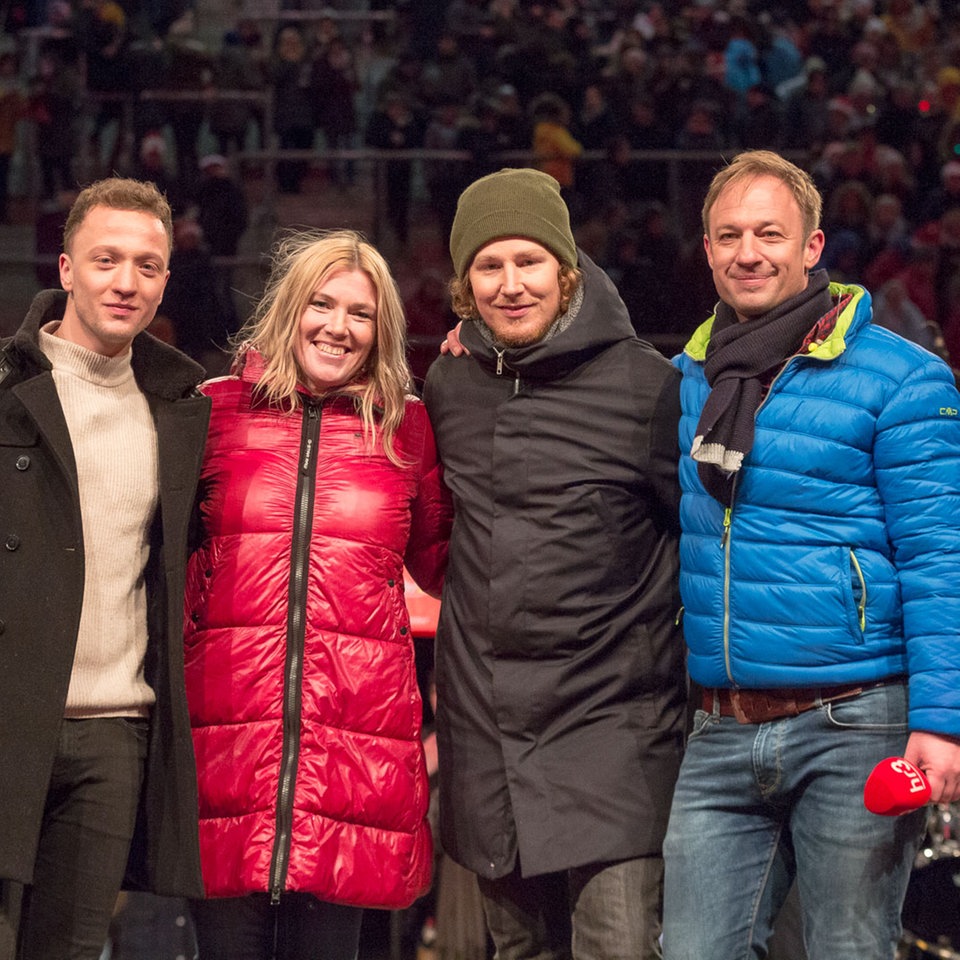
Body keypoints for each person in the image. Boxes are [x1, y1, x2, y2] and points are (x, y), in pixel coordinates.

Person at [663, 149, 960, 960]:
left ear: (812, 246)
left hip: (855, 721)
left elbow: (942, 562)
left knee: (848, 951)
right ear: (708, 246)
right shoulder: (690, 375)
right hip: (720, 726)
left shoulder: (902, 379)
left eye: (768, 233)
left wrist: (941, 724)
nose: (747, 251)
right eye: (728, 235)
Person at [423, 167, 687, 960]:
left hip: (612, 727)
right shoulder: (448, 383)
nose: (511, 285)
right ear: (467, 285)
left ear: (566, 269)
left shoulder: (648, 384)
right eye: (489, 267)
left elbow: (702, 542)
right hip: (489, 729)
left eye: (529, 262)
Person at [183, 228, 451, 960]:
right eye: (322, 305)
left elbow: (455, 569)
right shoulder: (214, 411)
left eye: (359, 314)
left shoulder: (408, 428)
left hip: (355, 768)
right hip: (227, 755)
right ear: (289, 308)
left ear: (381, 329)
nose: (338, 327)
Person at [0, 177, 211, 960]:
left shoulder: (183, 407)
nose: (126, 282)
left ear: (165, 279)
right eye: (106, 260)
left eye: (147, 266)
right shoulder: (4, 388)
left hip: (114, 736)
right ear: (64, 268)